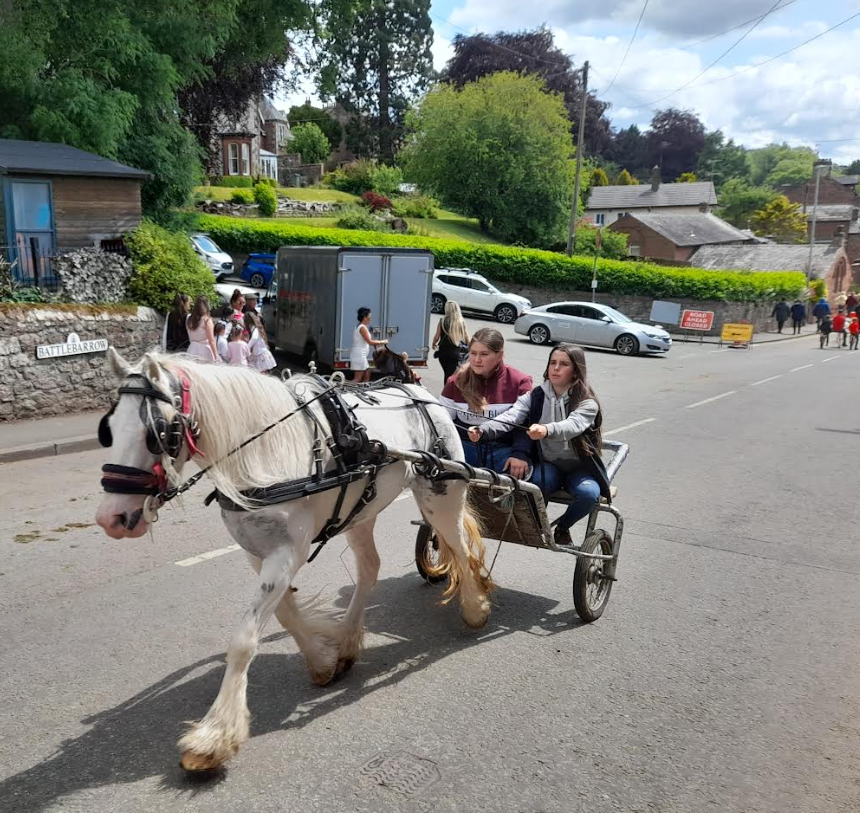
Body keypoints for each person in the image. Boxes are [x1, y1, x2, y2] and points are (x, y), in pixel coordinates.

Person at [468, 344, 610, 546]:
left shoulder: (587, 402)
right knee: (537, 484)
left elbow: (573, 425)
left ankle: (562, 528)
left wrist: (546, 430)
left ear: (576, 370)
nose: (556, 368)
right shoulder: (535, 396)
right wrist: (484, 430)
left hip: (580, 468)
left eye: (563, 364)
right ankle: (534, 527)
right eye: (553, 363)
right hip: (548, 464)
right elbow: (511, 416)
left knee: (589, 495)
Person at [439, 327, 533, 476]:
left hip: (502, 449)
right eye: (473, 353)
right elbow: (442, 422)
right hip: (464, 447)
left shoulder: (520, 381)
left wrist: (519, 454)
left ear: (499, 355)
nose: (477, 360)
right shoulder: (454, 381)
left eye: (484, 354)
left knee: (519, 473)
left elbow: (525, 424)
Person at [432, 301, 470, 381]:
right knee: (449, 374)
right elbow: (466, 338)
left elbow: (436, 336)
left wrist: (433, 344)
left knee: (446, 373)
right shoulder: (461, 322)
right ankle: (447, 391)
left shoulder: (442, 321)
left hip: (442, 352)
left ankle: (446, 391)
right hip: (454, 352)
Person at [350, 307, 388, 383]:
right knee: (357, 379)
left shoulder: (359, 326)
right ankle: (340, 388)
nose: (370, 319)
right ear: (364, 317)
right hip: (359, 355)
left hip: (360, 355)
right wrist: (382, 342)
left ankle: (363, 390)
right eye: (369, 317)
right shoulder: (362, 328)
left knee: (367, 374)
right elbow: (370, 342)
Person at [186, 295, 219, 362]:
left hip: (192, 348)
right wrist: (216, 355)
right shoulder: (207, 320)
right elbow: (211, 340)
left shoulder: (189, 319)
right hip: (204, 349)